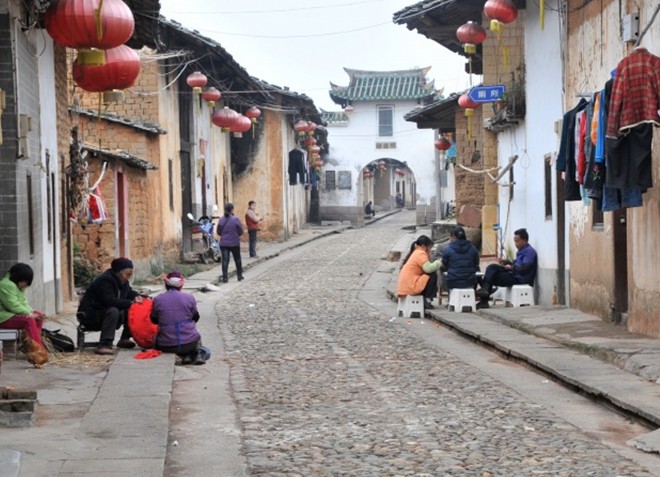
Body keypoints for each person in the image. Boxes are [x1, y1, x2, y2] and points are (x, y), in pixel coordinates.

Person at [77, 257, 143, 355]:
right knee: (113, 311)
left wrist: (138, 296)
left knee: (133, 309)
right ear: (119, 272)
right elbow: (109, 301)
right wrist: (130, 302)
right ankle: (104, 345)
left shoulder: (123, 281)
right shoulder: (104, 281)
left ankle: (124, 338)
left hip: (105, 314)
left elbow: (129, 292)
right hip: (91, 315)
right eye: (127, 274)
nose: (128, 277)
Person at [150, 270, 205, 365]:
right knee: (203, 346)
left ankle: (185, 356)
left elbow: (154, 319)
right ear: (181, 285)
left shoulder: (158, 299)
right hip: (189, 343)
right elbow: (196, 317)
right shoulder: (189, 298)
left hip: (166, 345)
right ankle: (196, 353)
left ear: (166, 284)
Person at [477, 228, 538, 308]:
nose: (515, 244)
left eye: (517, 241)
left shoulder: (529, 251)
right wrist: (507, 262)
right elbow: (517, 264)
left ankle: (484, 296)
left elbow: (525, 267)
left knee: (492, 276)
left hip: (520, 279)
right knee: (492, 268)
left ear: (524, 240)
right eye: (514, 241)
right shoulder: (521, 251)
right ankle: (485, 289)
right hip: (514, 274)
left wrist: (511, 268)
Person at [0, 263, 47, 353]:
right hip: (2, 317)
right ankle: (39, 351)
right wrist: (29, 314)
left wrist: (32, 313)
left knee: (38, 316)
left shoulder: (18, 286)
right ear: (18, 278)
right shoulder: (6, 285)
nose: (26, 285)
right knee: (28, 320)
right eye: (25, 282)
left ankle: (32, 346)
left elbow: (24, 303)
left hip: (9, 315)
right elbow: (13, 305)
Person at [396, 235, 441, 309]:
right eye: (429, 247)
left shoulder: (416, 252)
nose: (430, 250)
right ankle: (427, 300)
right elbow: (428, 268)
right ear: (424, 246)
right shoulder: (420, 253)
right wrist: (439, 262)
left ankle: (427, 299)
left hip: (405, 286)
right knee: (432, 275)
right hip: (411, 286)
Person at [441, 226, 480, 290]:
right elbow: (476, 263)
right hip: (470, 282)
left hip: (453, 281)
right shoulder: (473, 248)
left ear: (454, 237)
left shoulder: (448, 249)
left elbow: (444, 264)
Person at [217, 202, 244, 283]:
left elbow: (218, 232)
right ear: (232, 209)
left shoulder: (221, 219)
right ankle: (239, 276)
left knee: (225, 260)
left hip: (224, 243)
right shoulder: (235, 219)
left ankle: (225, 278)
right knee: (237, 259)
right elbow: (240, 231)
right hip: (234, 243)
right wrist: (235, 235)